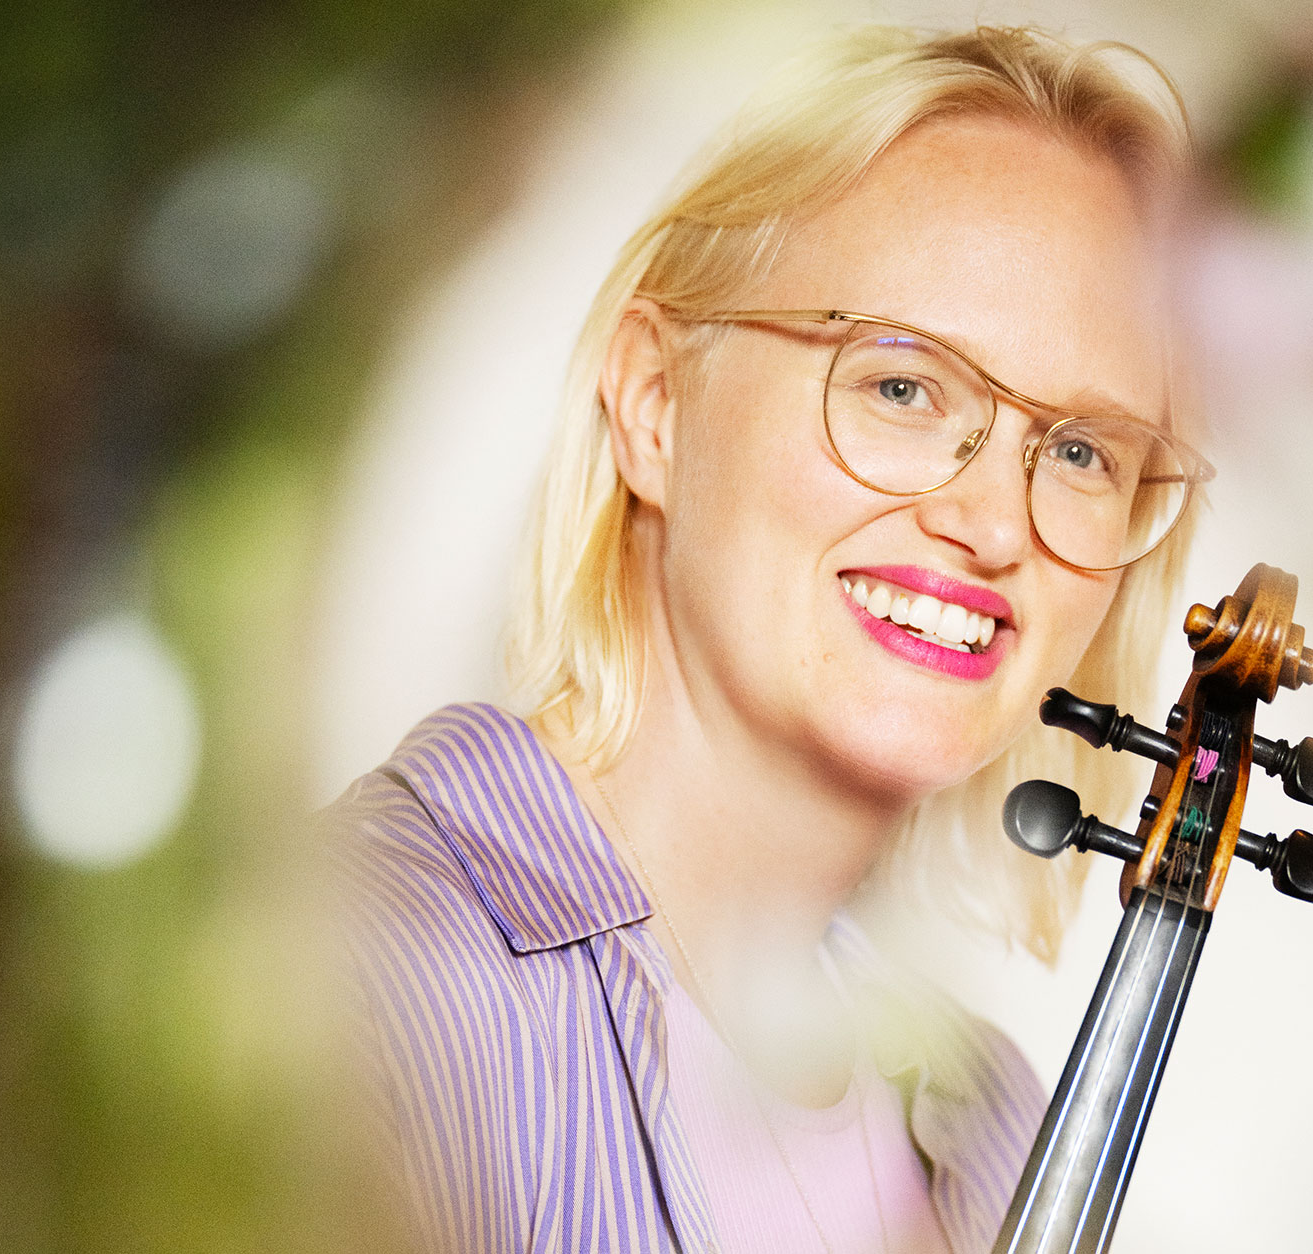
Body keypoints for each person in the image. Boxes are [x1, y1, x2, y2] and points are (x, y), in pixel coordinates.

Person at [328, 24, 1209, 1254]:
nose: (993, 523)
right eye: (902, 386)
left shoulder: (999, 1128)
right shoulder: (363, 968)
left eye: (1078, 453)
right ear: (653, 401)